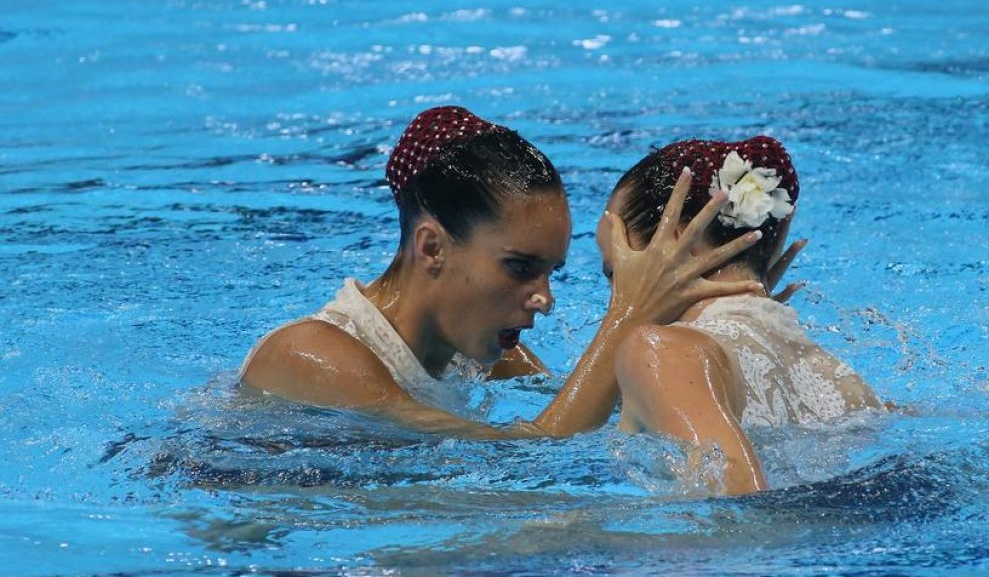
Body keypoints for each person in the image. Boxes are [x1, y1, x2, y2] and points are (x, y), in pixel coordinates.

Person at [239, 106, 766, 440]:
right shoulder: (312, 355)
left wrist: (726, 325)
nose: (544, 299)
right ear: (432, 247)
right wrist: (629, 314)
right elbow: (527, 457)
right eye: (520, 268)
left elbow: (593, 406)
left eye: (551, 273)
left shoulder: (486, 352)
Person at [597, 136, 884, 496]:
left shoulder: (661, 352)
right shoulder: (848, 384)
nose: (614, 302)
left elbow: (741, 516)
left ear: (676, 241)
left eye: (614, 273)